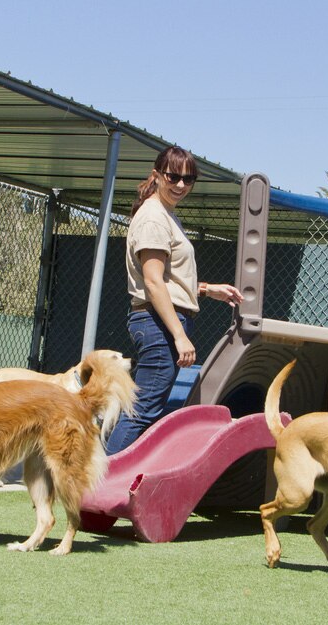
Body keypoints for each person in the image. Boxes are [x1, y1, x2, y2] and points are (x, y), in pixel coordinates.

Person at [104, 146, 243, 454]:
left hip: (161, 321)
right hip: (158, 324)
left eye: (188, 179)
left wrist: (206, 289)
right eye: (173, 177)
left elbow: (167, 279)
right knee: (142, 412)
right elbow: (153, 282)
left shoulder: (165, 214)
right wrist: (179, 336)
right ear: (157, 176)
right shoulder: (154, 217)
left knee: (144, 409)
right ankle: (104, 479)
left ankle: (114, 475)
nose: (181, 185)